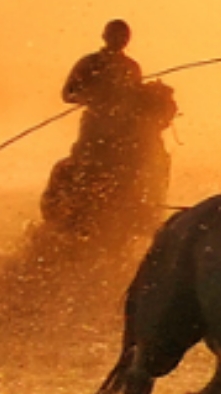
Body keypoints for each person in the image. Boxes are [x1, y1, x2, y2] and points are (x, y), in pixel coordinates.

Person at [41, 19, 175, 240]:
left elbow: (135, 99)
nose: (119, 40)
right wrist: (94, 97)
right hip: (94, 130)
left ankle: (144, 215)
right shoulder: (89, 63)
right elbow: (67, 94)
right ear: (105, 36)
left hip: (124, 133)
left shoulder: (132, 67)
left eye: (123, 37)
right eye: (115, 35)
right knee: (80, 166)